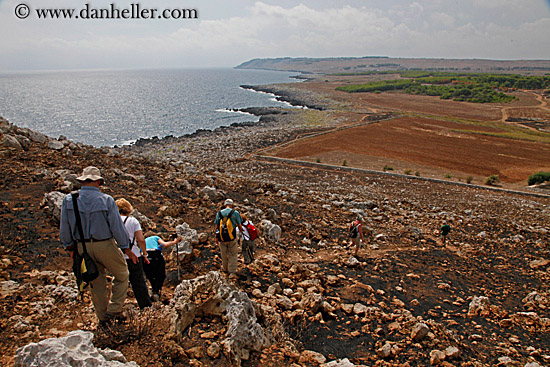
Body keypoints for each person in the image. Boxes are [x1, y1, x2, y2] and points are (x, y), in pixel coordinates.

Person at [59, 166, 137, 323]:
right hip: (105, 245)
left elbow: (64, 228)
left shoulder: (69, 200)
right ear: (99, 182)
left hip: (82, 247)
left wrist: (70, 248)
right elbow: (117, 227)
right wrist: (126, 248)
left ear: (82, 181)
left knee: (96, 282)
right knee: (122, 275)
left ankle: (102, 319)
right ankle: (114, 310)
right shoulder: (106, 200)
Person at [116, 198, 152, 309]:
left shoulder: (112, 220)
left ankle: (116, 307)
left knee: (118, 282)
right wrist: (144, 254)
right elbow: (141, 239)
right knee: (138, 282)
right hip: (134, 256)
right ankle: (145, 307)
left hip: (116, 255)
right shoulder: (133, 221)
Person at [143, 232, 181, 302]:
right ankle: (156, 292)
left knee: (151, 276)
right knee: (161, 275)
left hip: (145, 257)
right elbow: (165, 244)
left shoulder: (143, 241)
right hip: (155, 255)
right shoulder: (155, 238)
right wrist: (175, 241)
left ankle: (154, 292)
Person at [214, 198, 243, 279]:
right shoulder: (235, 213)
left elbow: (216, 227)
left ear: (224, 204)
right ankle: (232, 271)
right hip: (232, 237)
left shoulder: (219, 213)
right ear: (232, 204)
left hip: (222, 238)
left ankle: (225, 269)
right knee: (233, 254)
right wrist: (240, 235)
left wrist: (216, 237)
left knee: (224, 254)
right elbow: (240, 226)